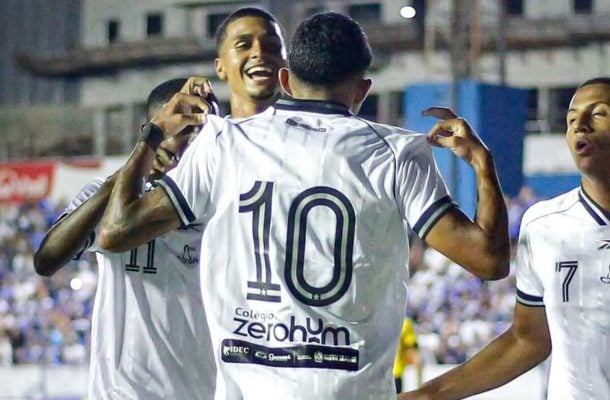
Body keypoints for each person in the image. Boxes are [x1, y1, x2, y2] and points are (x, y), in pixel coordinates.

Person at [99, 12, 509, 399]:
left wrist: (153, 133)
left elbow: (116, 232)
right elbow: (489, 261)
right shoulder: (397, 152)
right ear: (362, 90)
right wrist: (482, 163)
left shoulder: (223, 143)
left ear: (285, 80)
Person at [34, 7, 287, 399]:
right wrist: (137, 162)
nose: (191, 142)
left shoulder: (228, 202)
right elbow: (47, 260)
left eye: (201, 132)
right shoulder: (112, 198)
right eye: (181, 128)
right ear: (151, 132)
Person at [400, 77, 610, 400]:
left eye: (598, 113)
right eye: (570, 119)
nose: (579, 125)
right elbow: (528, 340)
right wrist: (431, 393)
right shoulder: (543, 225)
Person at [393, 315, 424, 393]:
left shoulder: (370, 321)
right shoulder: (403, 322)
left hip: (387, 375)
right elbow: (413, 351)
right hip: (393, 375)